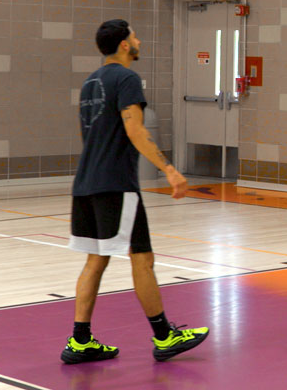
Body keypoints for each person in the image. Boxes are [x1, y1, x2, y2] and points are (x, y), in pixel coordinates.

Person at [60, 19, 209, 364]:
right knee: (142, 258)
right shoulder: (126, 79)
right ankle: (164, 336)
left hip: (85, 184)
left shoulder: (90, 82)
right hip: (115, 184)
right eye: (135, 36)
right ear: (125, 45)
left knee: (95, 260)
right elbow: (135, 130)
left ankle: (80, 341)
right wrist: (169, 170)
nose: (139, 40)